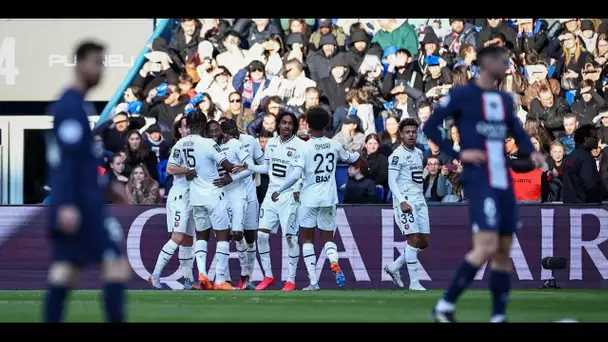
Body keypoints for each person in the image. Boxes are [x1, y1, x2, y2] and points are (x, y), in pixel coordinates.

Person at [423, 46, 544, 323]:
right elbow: (430, 127)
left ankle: (498, 316)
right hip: (480, 179)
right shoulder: (463, 94)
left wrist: (532, 152)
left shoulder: (502, 99)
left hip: (504, 181)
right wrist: (457, 154)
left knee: (503, 250)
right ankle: (445, 305)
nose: (509, 66)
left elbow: (516, 128)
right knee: (487, 245)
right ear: (488, 63)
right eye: (504, 61)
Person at [44, 41, 130, 322]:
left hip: (84, 201)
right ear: (79, 62)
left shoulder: (79, 105)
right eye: (97, 63)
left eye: (102, 63)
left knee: (66, 271)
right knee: (114, 267)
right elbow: (66, 161)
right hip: (79, 206)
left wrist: (108, 186)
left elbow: (82, 160)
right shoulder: (69, 106)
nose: (100, 70)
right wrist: (67, 204)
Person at [270, 108, 359, 290]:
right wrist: (358, 155)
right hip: (328, 198)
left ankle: (313, 282)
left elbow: (295, 176)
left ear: (308, 125)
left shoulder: (304, 147)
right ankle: (333, 261)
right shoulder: (334, 145)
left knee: (307, 240)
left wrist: (279, 189)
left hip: (309, 199)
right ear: (326, 124)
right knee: (328, 238)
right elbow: (350, 158)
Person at [234, 112, 304, 291]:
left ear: (294, 126)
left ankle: (291, 280)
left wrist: (296, 189)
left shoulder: (300, 146)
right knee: (262, 235)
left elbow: (300, 174)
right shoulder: (271, 143)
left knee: (290, 238)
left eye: (290, 123)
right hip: (271, 194)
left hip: (289, 196)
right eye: (283, 123)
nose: (286, 126)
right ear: (278, 125)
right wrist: (248, 166)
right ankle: (268, 276)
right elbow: (267, 167)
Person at [179, 110, 236, 291]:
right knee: (222, 236)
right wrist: (242, 168)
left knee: (202, 236)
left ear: (188, 125)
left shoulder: (182, 143)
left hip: (196, 197)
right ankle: (220, 279)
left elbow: (179, 169)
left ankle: (202, 274)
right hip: (214, 193)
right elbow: (228, 166)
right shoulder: (209, 143)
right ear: (204, 124)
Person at [149, 115, 198, 290]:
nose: (189, 130)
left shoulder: (199, 145)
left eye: (191, 127)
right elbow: (170, 168)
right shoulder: (179, 146)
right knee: (177, 237)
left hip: (194, 197)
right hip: (179, 196)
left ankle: (188, 280)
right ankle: (155, 275)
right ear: (180, 130)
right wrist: (187, 170)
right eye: (185, 127)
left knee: (188, 240)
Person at [210, 119, 257, 288]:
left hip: (238, 192)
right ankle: (225, 278)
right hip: (221, 194)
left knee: (237, 233)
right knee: (224, 237)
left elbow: (249, 168)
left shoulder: (236, 144)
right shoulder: (213, 147)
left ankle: (244, 273)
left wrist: (231, 178)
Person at [383, 118, 429, 291]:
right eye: (408, 132)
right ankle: (415, 283)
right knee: (413, 238)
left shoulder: (419, 152)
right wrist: (402, 200)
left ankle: (394, 267)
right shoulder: (396, 156)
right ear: (401, 134)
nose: (411, 135)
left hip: (420, 200)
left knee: (423, 242)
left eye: (414, 132)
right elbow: (391, 181)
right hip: (405, 201)